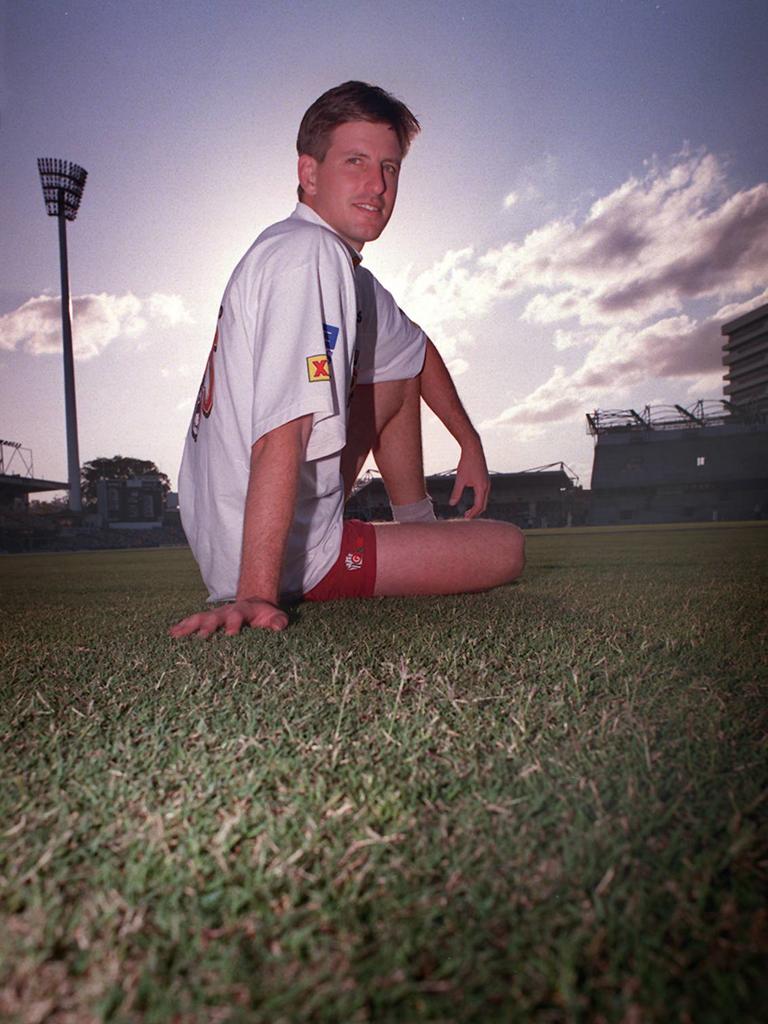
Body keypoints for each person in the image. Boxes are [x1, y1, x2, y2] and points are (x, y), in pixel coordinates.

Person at [171, 82, 524, 638]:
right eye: (355, 162)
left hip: (238, 534)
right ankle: (360, 553)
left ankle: (416, 526)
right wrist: (258, 593)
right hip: (288, 556)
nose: (377, 185)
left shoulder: (319, 257)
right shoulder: (308, 257)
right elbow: (280, 433)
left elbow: (416, 351)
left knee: (396, 365)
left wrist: (470, 443)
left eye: (390, 167)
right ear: (309, 174)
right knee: (507, 548)